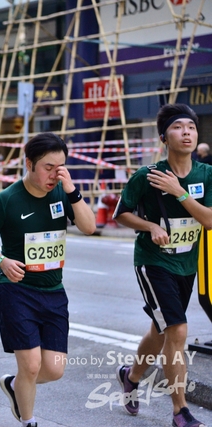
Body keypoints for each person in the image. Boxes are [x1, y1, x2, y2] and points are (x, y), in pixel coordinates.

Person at [0, 132, 96, 427]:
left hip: (54, 291)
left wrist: (72, 190)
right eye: (48, 167)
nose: (54, 175)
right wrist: (1, 261)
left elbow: (89, 227)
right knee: (30, 365)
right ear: (29, 164)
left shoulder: (63, 194)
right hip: (17, 290)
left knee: (54, 370)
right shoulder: (6, 200)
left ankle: (15, 385)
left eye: (60, 168)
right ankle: (29, 420)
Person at [113, 104, 210, 427]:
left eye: (191, 127)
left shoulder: (206, 175)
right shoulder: (147, 176)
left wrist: (179, 193)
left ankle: (131, 375)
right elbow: (121, 213)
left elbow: (209, 220)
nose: (187, 133)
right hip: (153, 262)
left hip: (186, 263)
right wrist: (150, 226)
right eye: (178, 127)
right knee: (177, 330)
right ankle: (180, 412)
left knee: (161, 329)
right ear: (164, 138)